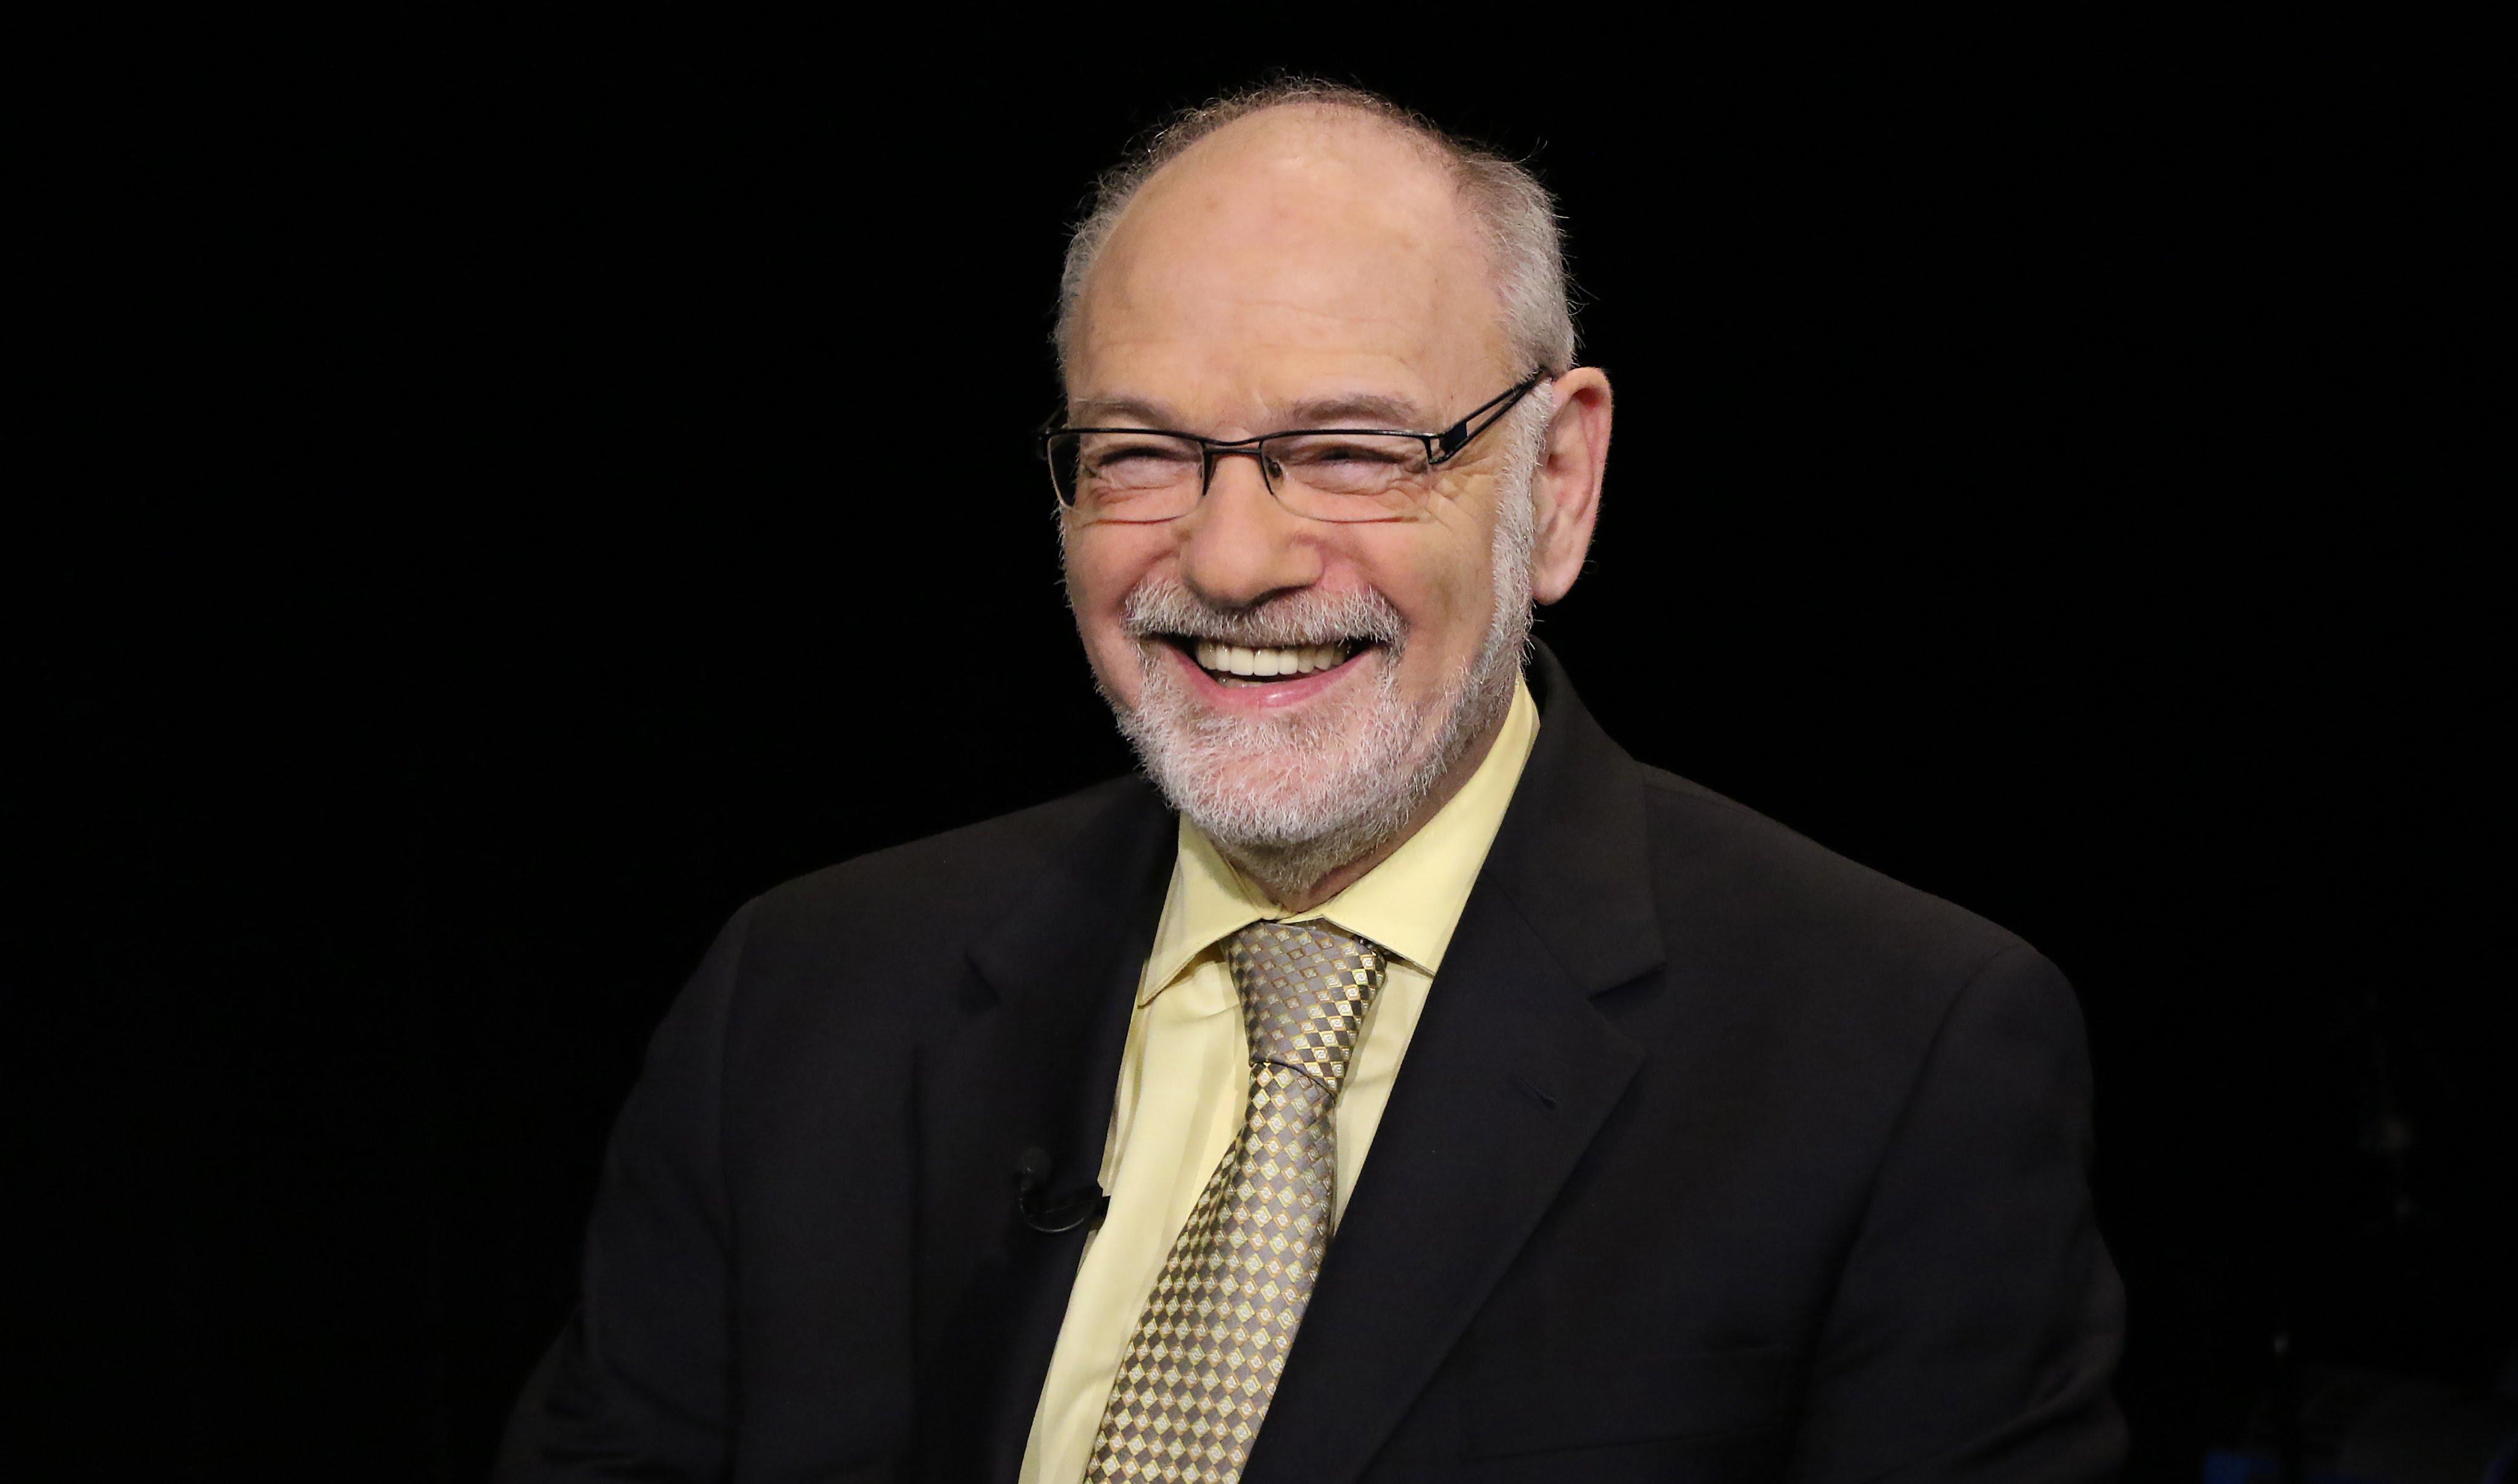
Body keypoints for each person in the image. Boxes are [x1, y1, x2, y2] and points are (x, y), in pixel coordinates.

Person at [496, 81, 2126, 1483]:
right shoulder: (799, 1001)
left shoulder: (1898, 1050)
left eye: (1351, 450)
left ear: (1558, 482)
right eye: (1141, 452)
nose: (1231, 558)